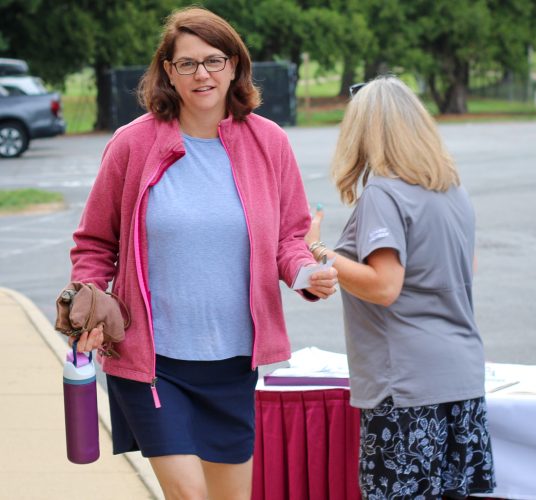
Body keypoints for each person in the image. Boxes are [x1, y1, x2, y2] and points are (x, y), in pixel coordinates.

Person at [66, 7, 337, 500]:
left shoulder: (268, 142)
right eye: (186, 63)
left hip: (233, 362)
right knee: (189, 495)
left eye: (213, 60)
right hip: (152, 360)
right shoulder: (132, 144)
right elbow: (94, 243)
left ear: (234, 65)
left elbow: (289, 237)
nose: (202, 74)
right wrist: (90, 306)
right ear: (168, 70)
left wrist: (303, 273)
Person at [306, 75, 496, 499]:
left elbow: (385, 286)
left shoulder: (383, 195)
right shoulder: (452, 191)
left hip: (407, 386)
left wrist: (317, 249)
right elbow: (469, 265)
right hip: (461, 377)